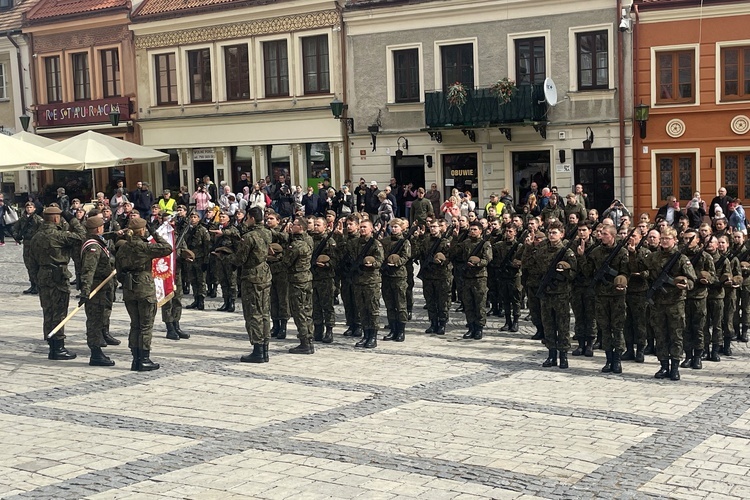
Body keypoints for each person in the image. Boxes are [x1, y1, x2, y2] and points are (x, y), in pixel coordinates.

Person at [29, 206, 85, 360]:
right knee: (59, 311)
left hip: (43, 275)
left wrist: (36, 278)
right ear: (55, 218)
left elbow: (30, 261)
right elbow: (82, 235)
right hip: (58, 276)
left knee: (48, 311)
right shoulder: (59, 235)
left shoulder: (36, 237)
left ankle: (52, 344)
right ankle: (58, 347)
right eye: (59, 217)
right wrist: (72, 219)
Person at [642, 227, 697, 381]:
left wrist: (685, 284)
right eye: (663, 238)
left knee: (676, 335)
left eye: (668, 238)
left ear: (675, 240)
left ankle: (674, 367)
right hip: (658, 303)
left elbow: (692, 280)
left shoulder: (681, 258)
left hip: (675, 302)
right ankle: (663, 365)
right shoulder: (653, 257)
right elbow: (640, 267)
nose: (665, 241)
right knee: (660, 334)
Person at [582, 224, 630, 374]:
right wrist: (582, 256)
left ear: (613, 236)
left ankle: (617, 359)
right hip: (601, 295)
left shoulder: (622, 252)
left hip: (616, 296)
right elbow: (587, 272)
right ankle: (608, 359)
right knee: (605, 328)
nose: (601, 236)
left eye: (605, 234)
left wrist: (620, 281)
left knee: (617, 328)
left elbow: (626, 273)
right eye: (601, 233)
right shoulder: (595, 252)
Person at [232, 206, 272, 363]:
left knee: (253, 313)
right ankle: (265, 348)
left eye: (247, 218)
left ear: (252, 218)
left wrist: (230, 260)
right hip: (265, 274)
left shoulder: (250, 236)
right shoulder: (267, 232)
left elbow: (240, 258)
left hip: (251, 275)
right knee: (264, 312)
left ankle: (258, 349)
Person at [79, 215, 119, 366]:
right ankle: (95, 354)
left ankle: (97, 351)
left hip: (103, 288)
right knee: (95, 321)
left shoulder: (96, 241)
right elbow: (88, 271)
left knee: (100, 318)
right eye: (102, 226)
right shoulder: (93, 247)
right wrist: (86, 292)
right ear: (98, 229)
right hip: (96, 289)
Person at [537, 221, 577, 368]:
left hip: (561, 294)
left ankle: (564, 356)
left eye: (554, 232)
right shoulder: (542, 250)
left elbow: (573, 274)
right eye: (550, 232)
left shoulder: (567, 252)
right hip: (547, 293)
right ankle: (551, 355)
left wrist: (564, 272)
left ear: (562, 234)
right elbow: (537, 269)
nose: (551, 235)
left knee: (563, 325)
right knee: (548, 325)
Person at [349, 219, 384, 348]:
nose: (363, 229)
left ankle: (373, 336)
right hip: (358, 281)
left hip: (371, 281)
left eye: (365, 227)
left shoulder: (375, 244)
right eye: (361, 227)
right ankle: (365, 334)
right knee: (362, 310)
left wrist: (371, 264)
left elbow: (380, 261)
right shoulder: (354, 243)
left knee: (372, 309)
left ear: (371, 229)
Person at [283, 217, 315, 354]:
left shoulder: (296, 245)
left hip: (297, 280)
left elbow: (286, 262)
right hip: (306, 278)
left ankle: (304, 341)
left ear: (300, 228)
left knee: (299, 311)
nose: (291, 226)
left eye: (294, 225)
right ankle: (309, 338)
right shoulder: (308, 240)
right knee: (307, 310)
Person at [381, 218, 411, 342]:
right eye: (392, 227)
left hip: (399, 276)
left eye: (396, 227)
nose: (394, 229)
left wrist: (396, 263)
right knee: (390, 304)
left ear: (401, 228)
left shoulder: (405, 242)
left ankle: (401, 330)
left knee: (401, 304)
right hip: (387, 276)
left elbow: (406, 256)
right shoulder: (385, 241)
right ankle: (392, 329)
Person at [310, 216, 337, 343]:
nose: (316, 227)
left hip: (325, 277)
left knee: (327, 305)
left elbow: (335, 259)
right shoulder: (310, 240)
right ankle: (318, 329)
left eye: (318, 225)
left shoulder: (329, 241)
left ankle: (329, 330)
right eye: (315, 224)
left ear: (325, 227)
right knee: (315, 305)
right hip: (313, 277)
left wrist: (326, 265)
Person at [208, 212, 240, 312]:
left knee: (231, 282)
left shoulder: (232, 229)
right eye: (220, 216)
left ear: (228, 219)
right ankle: (226, 301)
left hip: (229, 258)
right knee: (223, 281)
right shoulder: (218, 227)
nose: (221, 218)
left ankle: (232, 302)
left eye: (223, 217)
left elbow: (237, 242)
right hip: (219, 258)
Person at [184, 212, 211, 311]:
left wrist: (206, 261)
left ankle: (201, 300)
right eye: (191, 217)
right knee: (193, 280)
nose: (193, 219)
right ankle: (195, 299)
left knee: (201, 281)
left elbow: (207, 246)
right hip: (190, 259)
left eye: (195, 217)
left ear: (199, 219)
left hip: (200, 258)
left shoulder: (203, 230)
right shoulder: (187, 230)